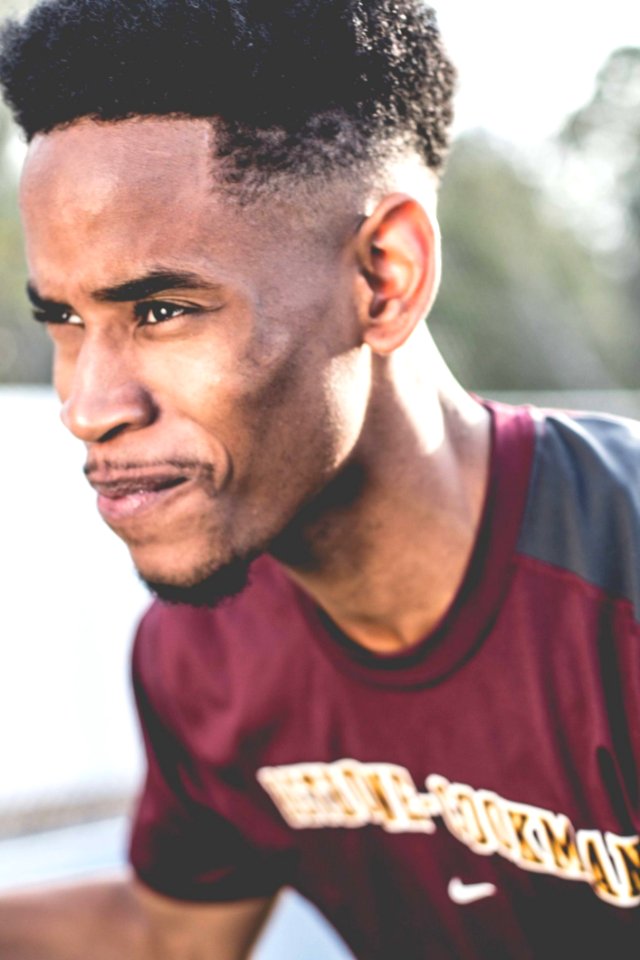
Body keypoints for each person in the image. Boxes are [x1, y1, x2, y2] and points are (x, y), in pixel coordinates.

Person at [1, 0, 640, 957]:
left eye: (164, 309)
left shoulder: (616, 593)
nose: (89, 406)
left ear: (384, 276)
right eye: (66, 320)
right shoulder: (203, 658)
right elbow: (172, 937)